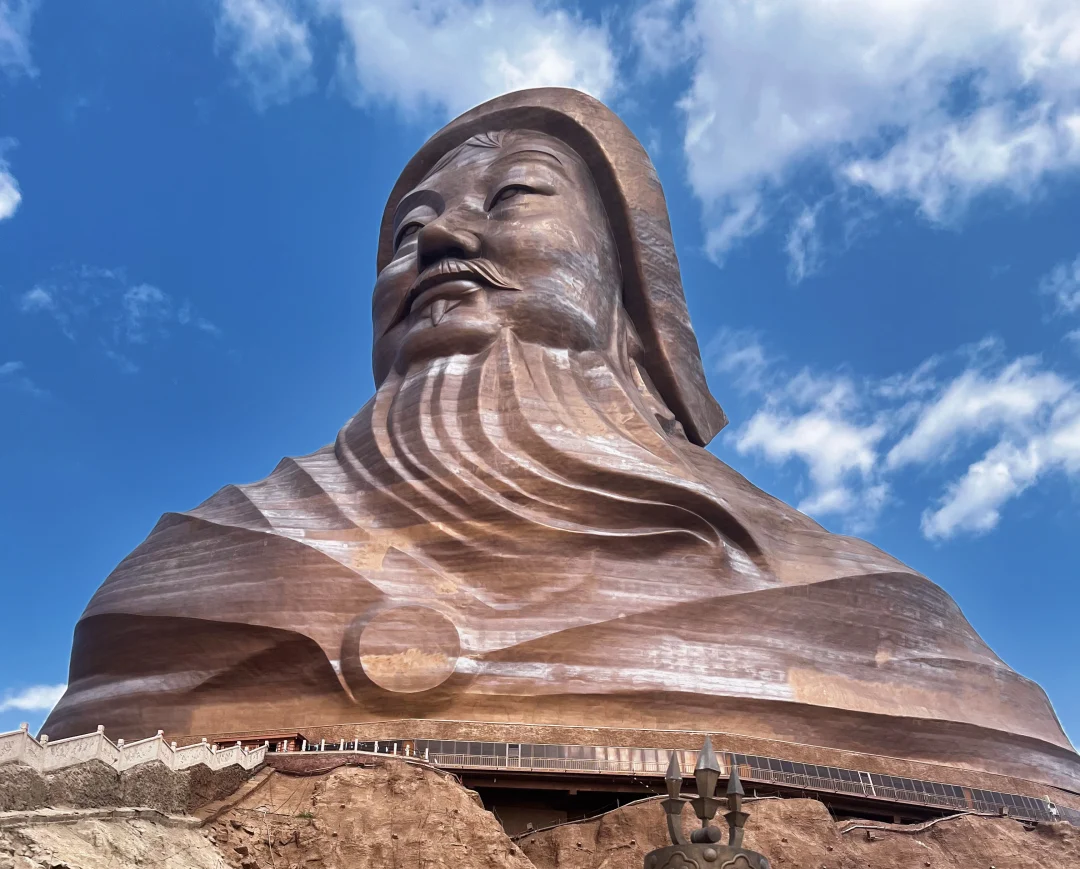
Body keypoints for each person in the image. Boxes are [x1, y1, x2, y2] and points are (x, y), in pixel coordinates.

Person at [44, 89, 1079, 792]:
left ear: (627, 292)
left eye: (514, 197)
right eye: (405, 235)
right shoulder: (218, 555)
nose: (440, 240)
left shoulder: (862, 608)